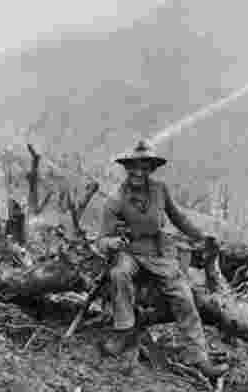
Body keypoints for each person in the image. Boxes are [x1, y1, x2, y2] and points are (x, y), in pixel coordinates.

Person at [97, 140, 228, 379]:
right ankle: (124, 331)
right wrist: (113, 243)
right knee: (119, 273)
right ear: (127, 169)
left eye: (144, 167)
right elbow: (102, 240)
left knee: (184, 295)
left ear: (151, 169)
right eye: (134, 167)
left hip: (160, 253)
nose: (138, 172)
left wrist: (201, 236)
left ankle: (199, 358)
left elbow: (178, 218)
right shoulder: (116, 199)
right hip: (131, 252)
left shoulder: (160, 190)